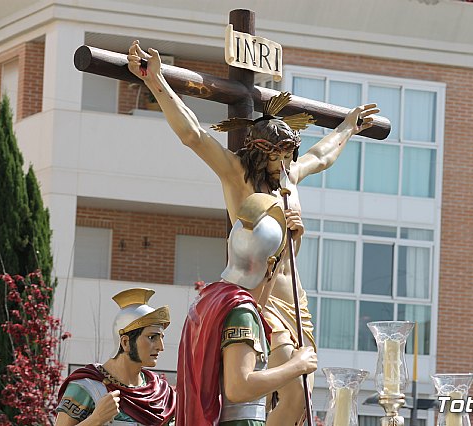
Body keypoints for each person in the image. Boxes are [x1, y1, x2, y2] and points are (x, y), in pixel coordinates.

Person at [127, 40, 379, 425]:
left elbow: (322, 155)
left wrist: (347, 127)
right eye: (274, 157)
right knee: (290, 388)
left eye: (287, 156)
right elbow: (193, 134)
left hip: (295, 301)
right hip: (256, 298)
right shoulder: (237, 175)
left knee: (302, 403)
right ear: (258, 152)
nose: (282, 165)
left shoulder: (291, 176)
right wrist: (157, 81)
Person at [175, 193, 317, 426]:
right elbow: (238, 387)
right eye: (277, 264)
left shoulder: (211, 298)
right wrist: (297, 366)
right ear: (270, 264)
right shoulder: (241, 310)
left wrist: (289, 244)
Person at [55, 288, 176, 425]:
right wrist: (96, 419)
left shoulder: (162, 394)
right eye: (152, 337)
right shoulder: (86, 387)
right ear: (125, 342)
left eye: (161, 338)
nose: (161, 347)